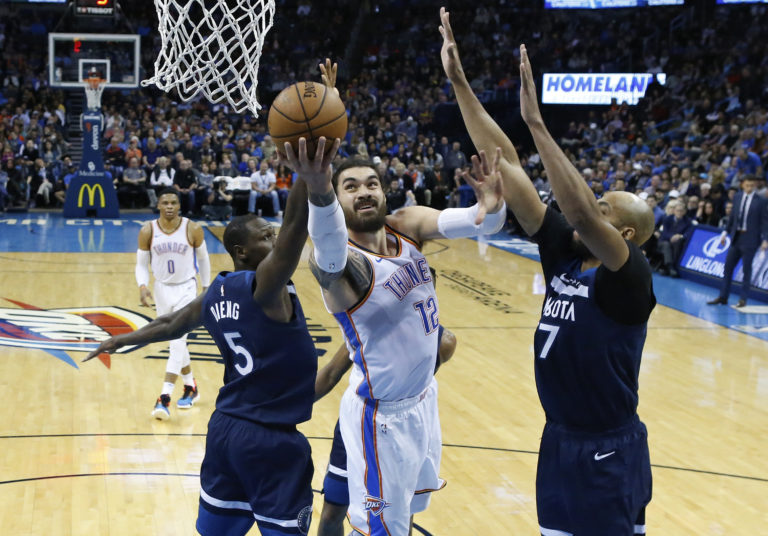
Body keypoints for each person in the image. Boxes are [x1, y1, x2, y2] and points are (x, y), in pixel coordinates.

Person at [440, 9, 655, 535]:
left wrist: (538, 123)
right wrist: (459, 83)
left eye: (607, 209)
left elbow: (580, 209)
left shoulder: (629, 277)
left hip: (607, 447)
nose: (591, 210)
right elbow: (505, 163)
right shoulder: (564, 251)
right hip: (559, 439)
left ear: (624, 235)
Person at [85, 135, 341, 536]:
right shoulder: (267, 286)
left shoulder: (218, 289)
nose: (274, 240)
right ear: (242, 252)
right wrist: (306, 172)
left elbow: (170, 325)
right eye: (264, 237)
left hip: (225, 431)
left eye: (271, 235)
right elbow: (294, 229)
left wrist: (120, 340)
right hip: (270, 441)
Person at [297, 56, 506, 535]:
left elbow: (479, 222)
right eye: (349, 187)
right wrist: (318, 186)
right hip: (380, 420)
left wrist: (491, 208)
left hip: (422, 402)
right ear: (337, 198)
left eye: (372, 183)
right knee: (379, 529)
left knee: (405, 518)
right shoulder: (342, 265)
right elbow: (327, 246)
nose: (364, 192)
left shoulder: (407, 225)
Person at [315, 268, 457, 536]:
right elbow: (332, 372)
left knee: (402, 512)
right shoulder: (372, 329)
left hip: (399, 429)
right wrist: (285, 409)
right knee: (333, 509)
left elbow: (403, 390)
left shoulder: (443, 342)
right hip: (358, 423)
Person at [135, 188, 211, 419]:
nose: (169, 206)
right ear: (158, 205)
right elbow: (140, 263)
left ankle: (164, 397)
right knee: (175, 340)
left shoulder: (193, 228)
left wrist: (206, 288)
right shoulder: (148, 230)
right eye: (165, 202)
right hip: (161, 289)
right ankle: (190, 387)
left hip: (187, 288)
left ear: (179, 206)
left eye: (174, 203)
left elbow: (203, 259)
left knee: (177, 340)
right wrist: (142, 285)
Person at [707, 175, 768, 307]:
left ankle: (743, 299)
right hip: (736, 237)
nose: (749, 188)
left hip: (751, 239)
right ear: (743, 185)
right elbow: (732, 218)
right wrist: (724, 233)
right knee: (727, 268)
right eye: (747, 185)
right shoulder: (737, 197)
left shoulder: (761, 201)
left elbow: (764, 222)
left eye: (752, 185)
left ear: (755, 186)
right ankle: (723, 297)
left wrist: (765, 239)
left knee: (747, 270)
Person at [654, 200, 692, 277]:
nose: (679, 212)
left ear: (685, 212)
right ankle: (671, 267)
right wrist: (672, 236)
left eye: (681, 211)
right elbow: (664, 233)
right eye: (678, 210)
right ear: (674, 211)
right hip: (664, 241)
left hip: (677, 242)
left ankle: (667, 268)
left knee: (678, 243)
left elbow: (689, 233)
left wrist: (680, 236)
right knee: (666, 245)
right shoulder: (667, 219)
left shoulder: (688, 221)